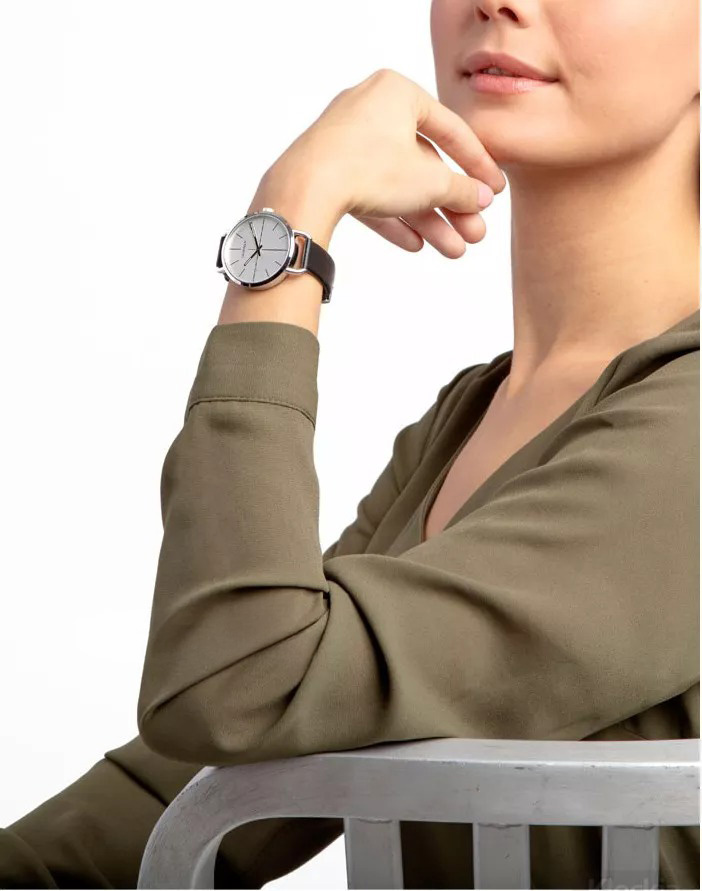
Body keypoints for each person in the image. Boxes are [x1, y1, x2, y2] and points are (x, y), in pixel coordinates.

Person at [1, 0, 699, 887]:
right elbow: (195, 778)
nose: (500, 2)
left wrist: (293, 219)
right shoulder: (472, 417)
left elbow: (240, 684)